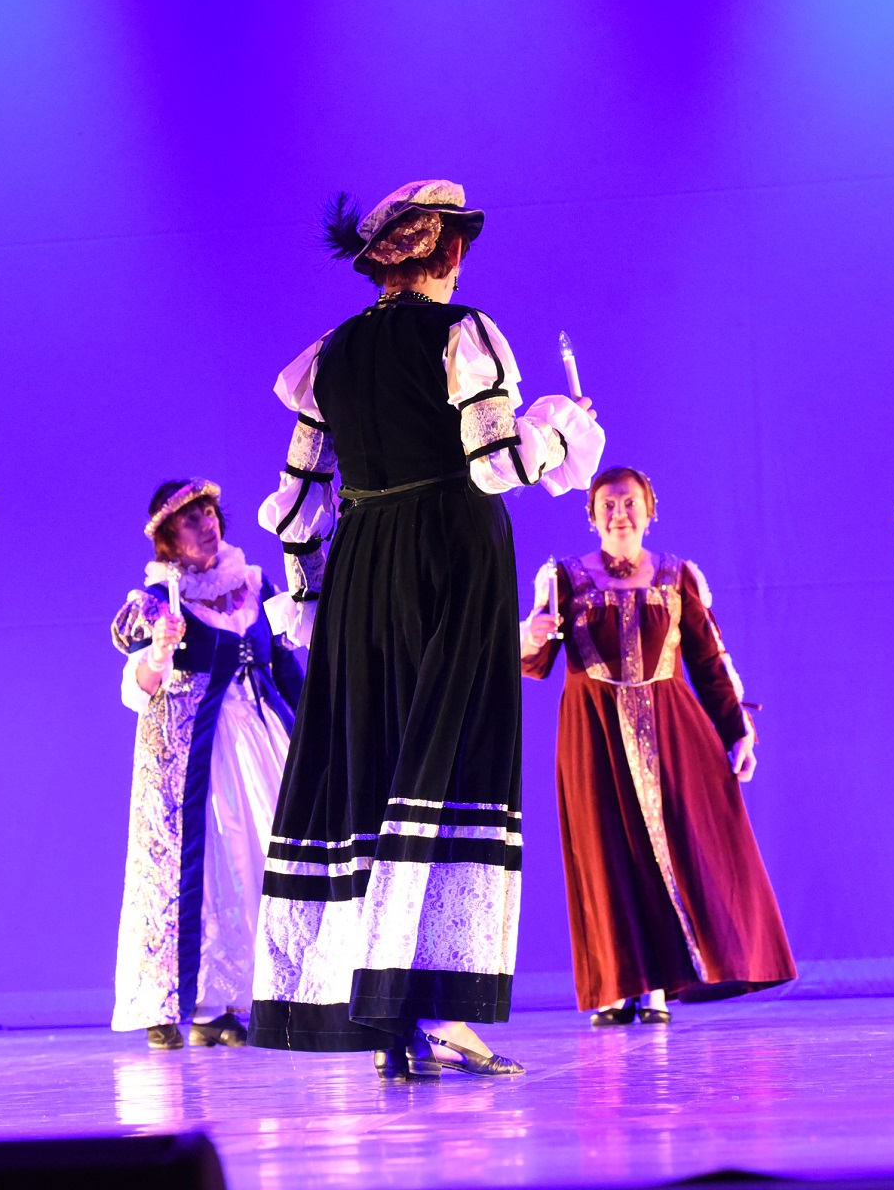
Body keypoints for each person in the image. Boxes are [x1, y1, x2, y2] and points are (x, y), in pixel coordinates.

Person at [249, 179, 603, 1078]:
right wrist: (564, 434)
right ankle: (440, 1010)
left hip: (364, 565)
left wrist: (311, 597)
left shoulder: (328, 356)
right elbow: (496, 464)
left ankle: (390, 1022)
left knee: (378, 767)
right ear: (445, 251)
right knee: (450, 762)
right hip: (448, 556)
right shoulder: (462, 334)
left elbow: (298, 503)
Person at [521, 466, 794, 1025]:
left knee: (672, 846)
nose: (619, 513)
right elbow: (537, 663)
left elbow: (710, 660)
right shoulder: (563, 577)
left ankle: (660, 988)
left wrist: (738, 732)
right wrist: (530, 633)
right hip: (593, 730)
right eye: (608, 504)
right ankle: (617, 984)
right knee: (606, 852)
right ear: (592, 515)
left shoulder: (676, 576)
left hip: (671, 728)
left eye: (630, 502)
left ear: (649, 511)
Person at [109, 478, 303, 1051]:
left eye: (210, 513)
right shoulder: (155, 602)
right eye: (191, 519)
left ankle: (258, 996)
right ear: (168, 538)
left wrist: (312, 731)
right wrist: (159, 648)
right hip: (195, 751)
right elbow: (136, 678)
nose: (207, 524)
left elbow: (286, 669)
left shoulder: (255, 583)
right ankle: (184, 1004)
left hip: (263, 736)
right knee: (203, 868)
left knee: (266, 857)